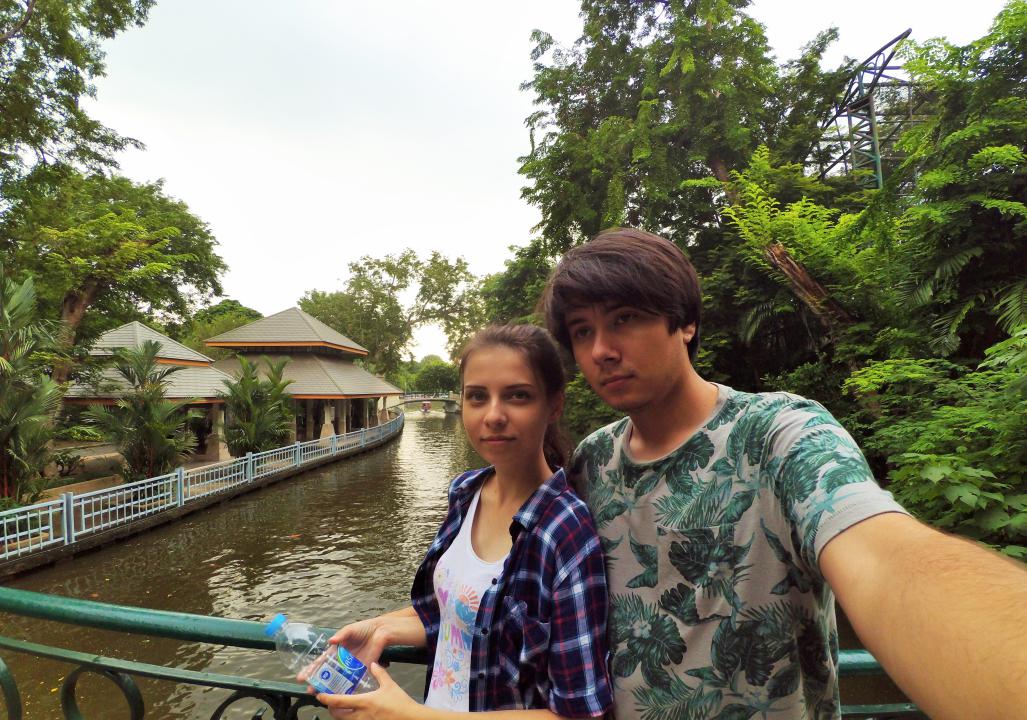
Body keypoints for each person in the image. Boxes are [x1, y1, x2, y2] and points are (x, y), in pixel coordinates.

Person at [541, 227, 1027, 720]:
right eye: (582, 331)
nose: (601, 350)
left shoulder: (780, 434)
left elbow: (881, 556)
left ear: (684, 322)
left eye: (624, 319)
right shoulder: (591, 462)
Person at [314, 325, 614, 720]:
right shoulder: (465, 493)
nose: (493, 415)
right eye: (477, 396)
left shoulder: (564, 532)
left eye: (518, 396)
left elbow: (580, 713)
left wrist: (410, 716)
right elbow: (463, 613)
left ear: (554, 406)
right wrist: (380, 628)